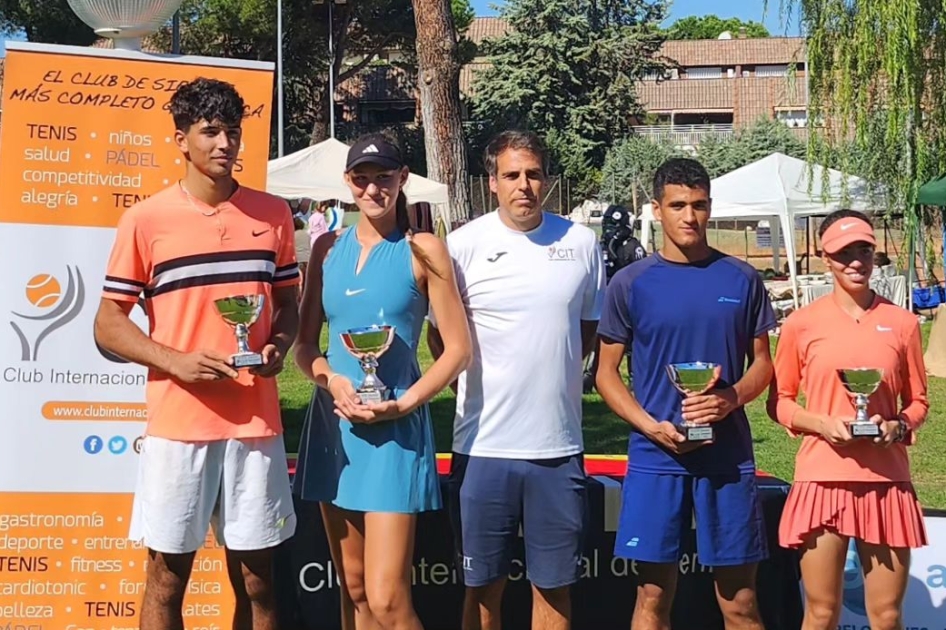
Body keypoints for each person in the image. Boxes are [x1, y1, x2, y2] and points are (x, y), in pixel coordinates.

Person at [93, 78, 300, 630]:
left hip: (255, 423)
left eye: (232, 131)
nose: (224, 144)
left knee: (259, 583)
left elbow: (288, 302)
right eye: (210, 132)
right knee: (166, 580)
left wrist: (279, 341)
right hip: (178, 426)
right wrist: (174, 360)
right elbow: (108, 324)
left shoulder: (273, 214)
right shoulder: (145, 219)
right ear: (181, 140)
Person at [428, 130, 605, 630]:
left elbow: (586, 332)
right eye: (511, 175)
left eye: (533, 173)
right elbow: (440, 341)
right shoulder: (461, 246)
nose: (523, 185)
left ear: (546, 179)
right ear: (492, 182)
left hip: (558, 447)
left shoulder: (581, 243)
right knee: (482, 592)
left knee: (555, 590)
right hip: (483, 447)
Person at [293, 134, 471, 630]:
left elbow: (457, 349)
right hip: (334, 431)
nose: (373, 189)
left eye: (383, 178)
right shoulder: (327, 248)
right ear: (347, 184)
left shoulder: (424, 248)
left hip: (396, 434)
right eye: (362, 179)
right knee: (353, 591)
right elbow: (305, 347)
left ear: (402, 180)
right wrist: (331, 379)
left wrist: (405, 404)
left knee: (388, 600)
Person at [595, 158, 775, 630]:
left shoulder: (742, 279)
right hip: (658, 457)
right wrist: (650, 426)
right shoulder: (629, 284)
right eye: (678, 205)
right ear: (657, 210)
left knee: (740, 602)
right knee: (652, 599)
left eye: (698, 205)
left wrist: (730, 398)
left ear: (710, 208)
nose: (689, 216)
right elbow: (607, 375)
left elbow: (763, 365)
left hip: (727, 458)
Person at [767, 209, 928, 630]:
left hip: (886, 482)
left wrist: (899, 425)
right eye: (844, 253)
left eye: (864, 250)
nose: (856, 261)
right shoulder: (801, 325)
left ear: (875, 255)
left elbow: (919, 402)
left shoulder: (903, 323)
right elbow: (780, 402)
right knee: (820, 612)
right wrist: (821, 424)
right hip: (821, 480)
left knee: (887, 615)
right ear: (825, 257)